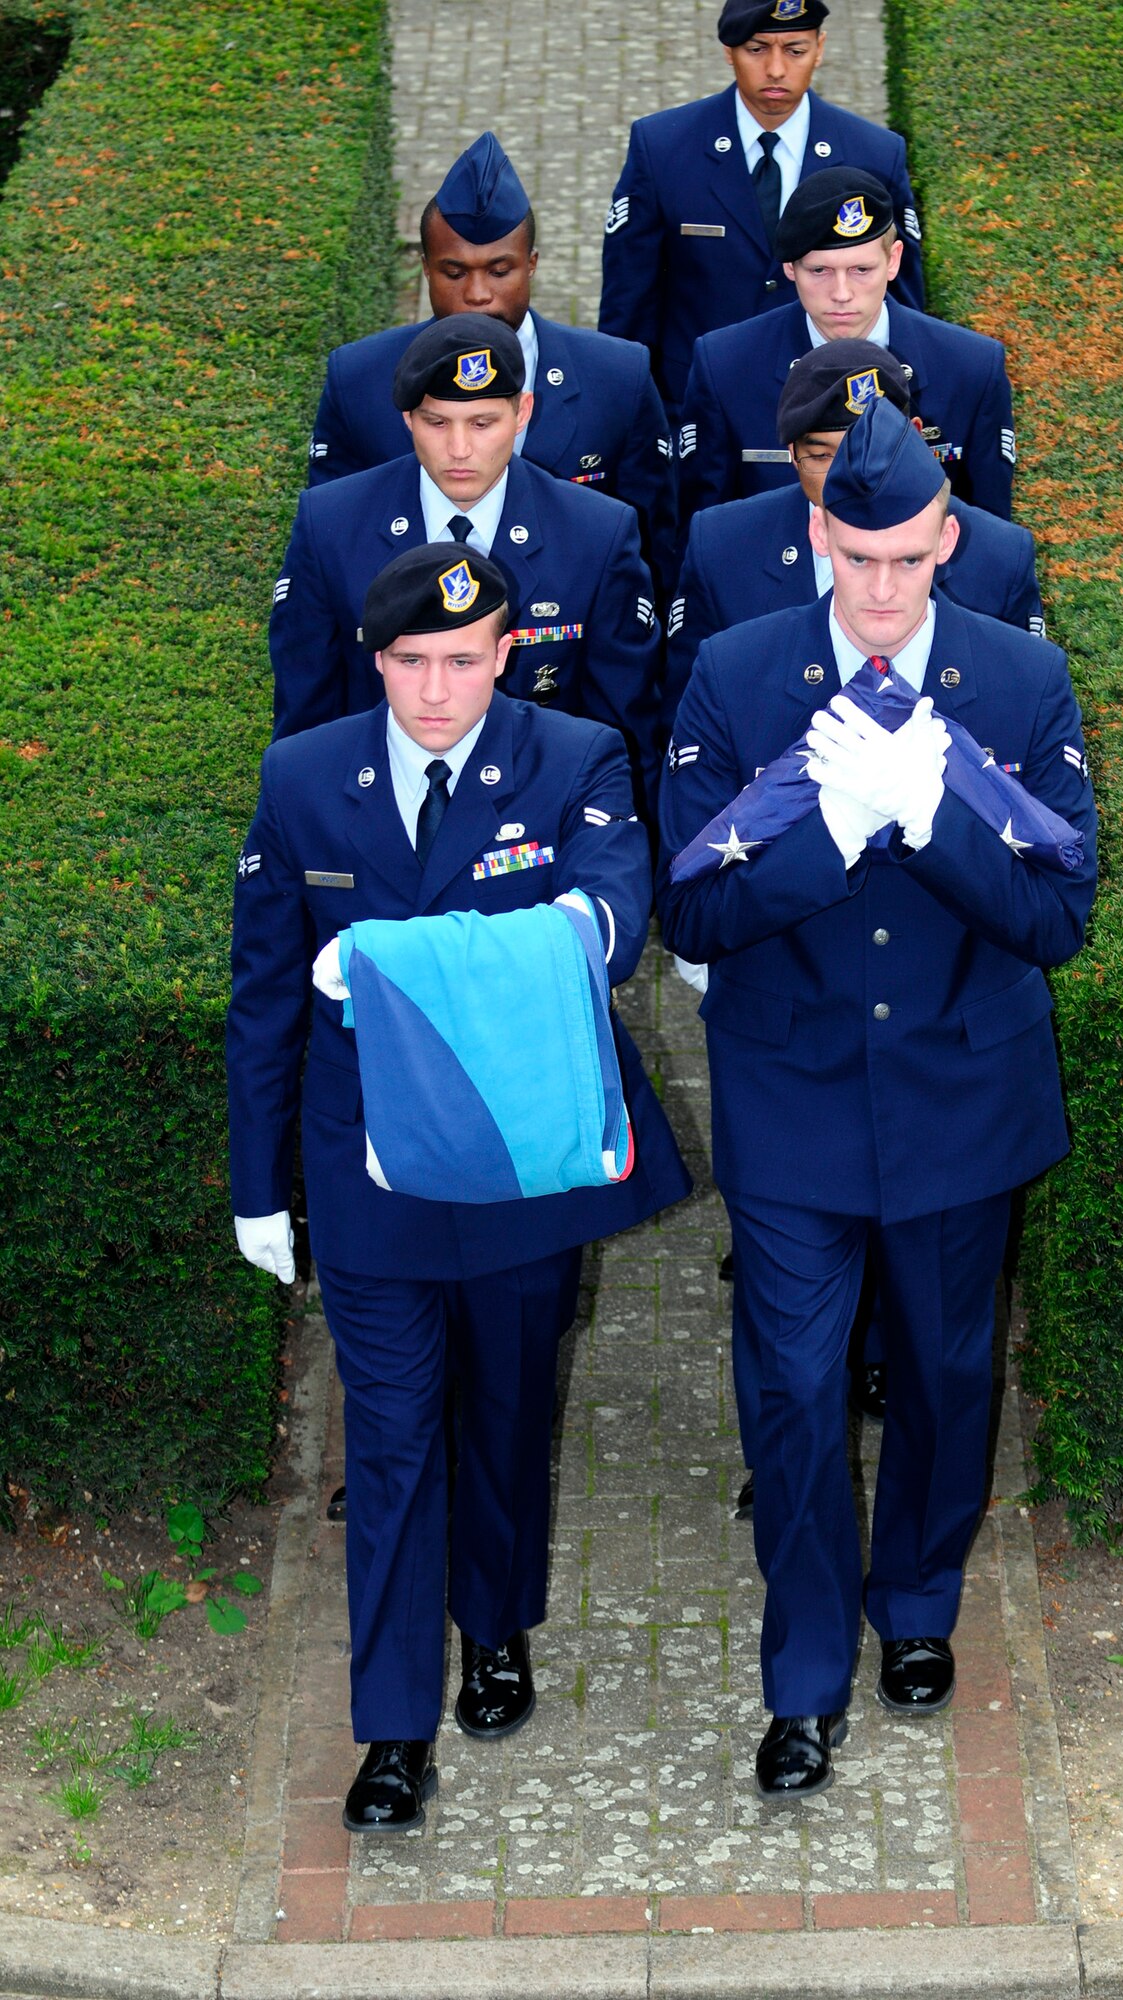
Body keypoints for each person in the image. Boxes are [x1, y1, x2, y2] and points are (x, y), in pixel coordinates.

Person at [657, 397, 1095, 1799]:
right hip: (792, 1101)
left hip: (963, 1098)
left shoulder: (1019, 685)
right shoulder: (735, 677)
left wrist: (936, 820)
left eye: (911, 560)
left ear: (951, 541)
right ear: (815, 540)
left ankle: (914, 1602)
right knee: (789, 1387)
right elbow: (693, 909)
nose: (887, 593)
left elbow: (1059, 912)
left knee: (949, 1371)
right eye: (860, 561)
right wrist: (836, 832)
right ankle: (801, 1673)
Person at [229, 542, 691, 1833]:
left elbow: (609, 925)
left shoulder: (577, 757)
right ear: (379, 661)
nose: (438, 691)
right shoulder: (303, 777)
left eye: (462, 661)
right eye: (413, 663)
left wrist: (401, 962)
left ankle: (494, 1628)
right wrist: (255, 1183)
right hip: (367, 1168)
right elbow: (265, 991)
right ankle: (389, 1729)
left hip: (514, 1156)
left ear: (505, 653)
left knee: (505, 1410)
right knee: (386, 1443)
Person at [270, 314, 662, 817]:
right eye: (437, 422)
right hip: (372, 820)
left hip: (538, 827)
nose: (459, 450)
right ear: (408, 418)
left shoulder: (596, 534)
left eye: (482, 423)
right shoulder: (330, 526)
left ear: (523, 413)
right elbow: (306, 721)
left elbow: (624, 730)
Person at [307, 133, 677, 591]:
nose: (478, 295)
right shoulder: (357, 379)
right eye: (454, 272)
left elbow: (656, 547)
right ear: (425, 268)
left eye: (500, 272)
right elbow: (328, 545)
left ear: (533, 263)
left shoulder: (618, 377)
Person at [663, 339, 1044, 733]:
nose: (847, 476)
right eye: (822, 455)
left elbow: (1019, 706)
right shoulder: (721, 546)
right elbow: (687, 715)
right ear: (792, 454)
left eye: (866, 448)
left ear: (915, 436)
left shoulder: (1000, 556)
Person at [598, 0, 924, 420]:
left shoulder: (875, 152)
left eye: (795, 49)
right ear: (728, 51)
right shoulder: (662, 147)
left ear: (820, 48)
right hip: (700, 404)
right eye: (756, 49)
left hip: (841, 411)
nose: (775, 69)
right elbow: (629, 299)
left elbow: (906, 304)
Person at [678, 166, 1016, 519]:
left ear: (894, 260)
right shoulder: (725, 365)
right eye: (819, 271)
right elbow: (704, 526)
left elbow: (988, 528)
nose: (841, 294)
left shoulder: (971, 367)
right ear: (790, 268)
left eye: (861, 270)